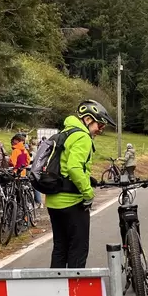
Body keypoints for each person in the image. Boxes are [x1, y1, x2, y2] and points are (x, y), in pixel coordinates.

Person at [46, 99, 116, 268]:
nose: (100, 130)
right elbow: (74, 167)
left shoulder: (65, 133)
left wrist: (87, 178)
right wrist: (88, 193)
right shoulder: (82, 137)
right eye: (99, 125)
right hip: (72, 202)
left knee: (60, 248)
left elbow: (65, 166)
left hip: (54, 201)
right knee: (78, 249)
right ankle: (75, 291)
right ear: (88, 119)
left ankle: (57, 290)